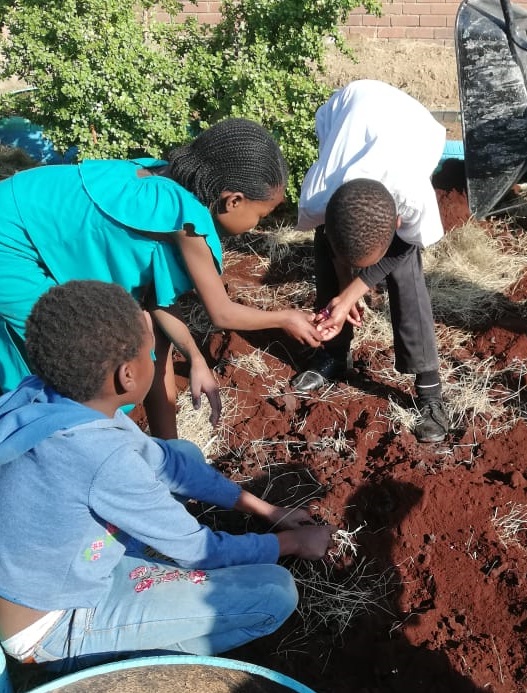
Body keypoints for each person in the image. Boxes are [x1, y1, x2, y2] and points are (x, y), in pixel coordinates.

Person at [0, 281, 335, 673]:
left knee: (182, 453)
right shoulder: (101, 457)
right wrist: (293, 542)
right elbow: (199, 551)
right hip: (54, 622)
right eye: (150, 353)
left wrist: (267, 510)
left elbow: (170, 464)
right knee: (273, 593)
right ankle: (117, 665)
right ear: (128, 376)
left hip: (46, 573)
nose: (155, 360)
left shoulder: (52, 398)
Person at [0, 117, 323, 439]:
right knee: (91, 365)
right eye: (260, 216)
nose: (255, 226)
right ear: (233, 200)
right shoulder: (187, 222)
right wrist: (285, 318)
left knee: (136, 344)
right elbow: (221, 313)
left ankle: (164, 453)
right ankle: (58, 445)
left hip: (19, 207)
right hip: (9, 246)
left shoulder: (166, 177)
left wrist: (196, 358)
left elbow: (157, 308)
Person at [291, 80, 449, 444]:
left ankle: (430, 390)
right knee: (327, 255)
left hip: (410, 124)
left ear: (397, 222)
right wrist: (345, 294)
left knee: (406, 274)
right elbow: (334, 242)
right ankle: (333, 353)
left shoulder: (413, 198)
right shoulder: (318, 198)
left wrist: (356, 289)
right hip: (346, 110)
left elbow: (405, 248)